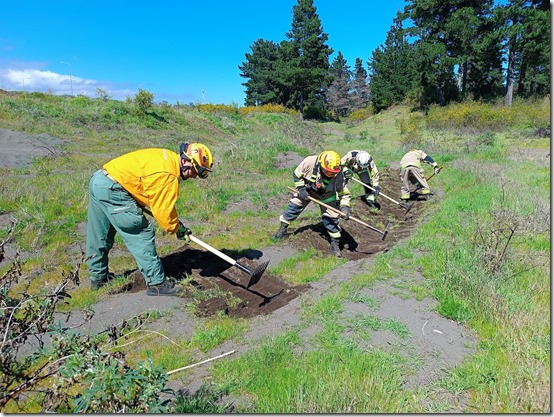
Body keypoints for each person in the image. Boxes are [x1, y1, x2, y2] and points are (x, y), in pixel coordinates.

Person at [86, 142, 213, 296]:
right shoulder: (168, 175)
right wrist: (176, 228)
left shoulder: (168, 159)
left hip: (100, 180)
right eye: (195, 171)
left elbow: (147, 188)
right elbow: (163, 212)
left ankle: (98, 279)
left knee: (100, 232)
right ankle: (157, 283)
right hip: (114, 188)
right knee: (141, 232)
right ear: (186, 160)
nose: (194, 176)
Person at [273, 150, 351, 258]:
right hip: (306, 191)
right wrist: (301, 189)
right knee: (294, 205)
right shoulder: (309, 161)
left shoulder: (338, 175)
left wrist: (345, 207)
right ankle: (282, 230)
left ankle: (335, 244)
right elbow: (296, 174)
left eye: (333, 173)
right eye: (328, 172)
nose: (331, 174)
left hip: (327, 196)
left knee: (331, 218)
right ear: (321, 165)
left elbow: (344, 193)